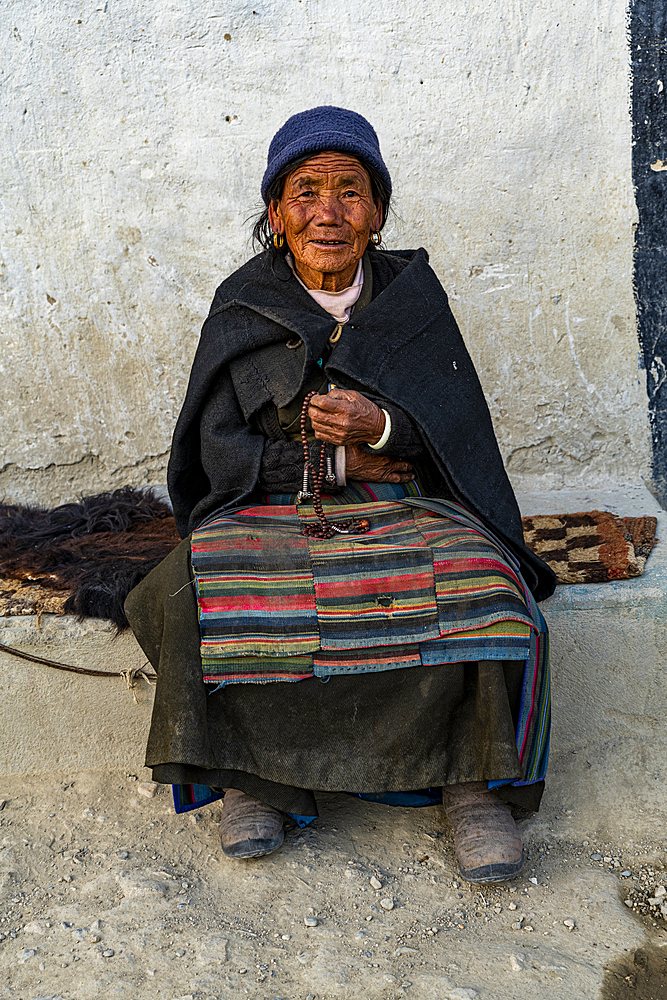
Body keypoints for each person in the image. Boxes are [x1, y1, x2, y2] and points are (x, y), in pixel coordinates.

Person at [125, 106, 556, 886]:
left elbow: (458, 429)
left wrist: (384, 427)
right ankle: (259, 780)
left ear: (378, 210)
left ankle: (470, 783)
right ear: (276, 213)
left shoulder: (411, 298)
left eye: (350, 192)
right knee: (186, 595)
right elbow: (215, 448)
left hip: (410, 503)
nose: (329, 212)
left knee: (488, 587)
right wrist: (330, 468)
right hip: (273, 507)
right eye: (306, 192)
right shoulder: (242, 304)